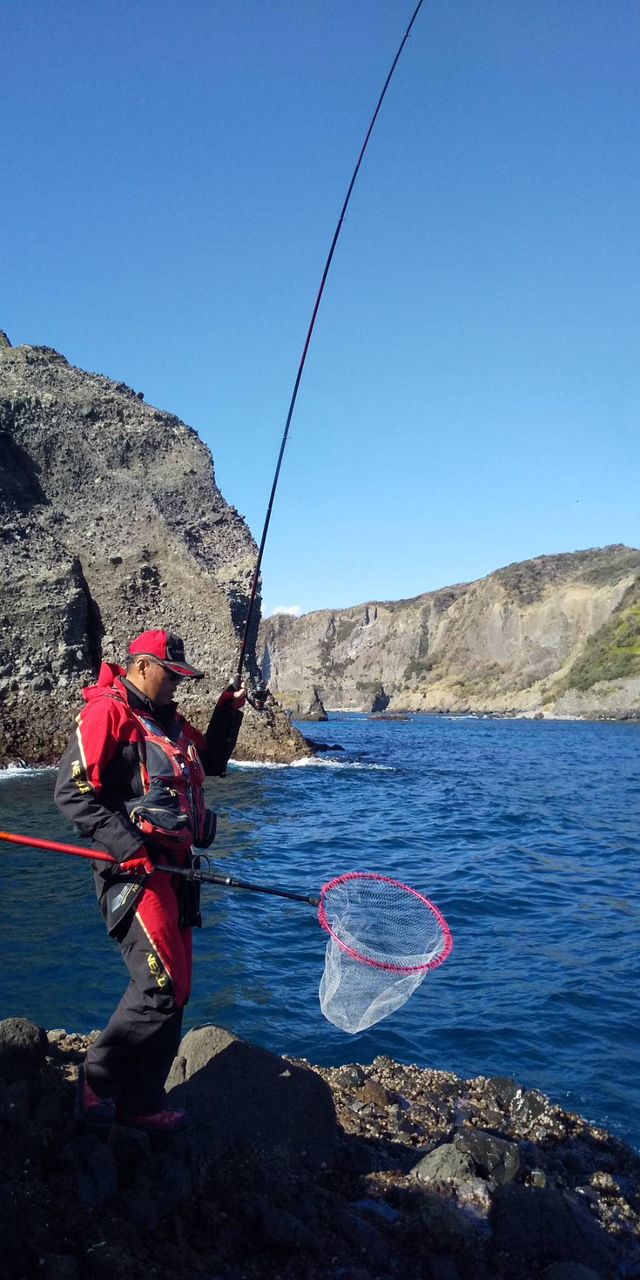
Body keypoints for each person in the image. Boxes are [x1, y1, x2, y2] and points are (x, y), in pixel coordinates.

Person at [54, 628, 246, 1133]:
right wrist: (129, 848)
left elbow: (212, 762)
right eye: (171, 675)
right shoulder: (107, 712)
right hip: (133, 873)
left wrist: (228, 712)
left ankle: (141, 1101)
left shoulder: (172, 723)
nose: (177, 685)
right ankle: (97, 1080)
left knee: (178, 990)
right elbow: (72, 793)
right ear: (142, 667)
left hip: (178, 872)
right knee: (158, 986)